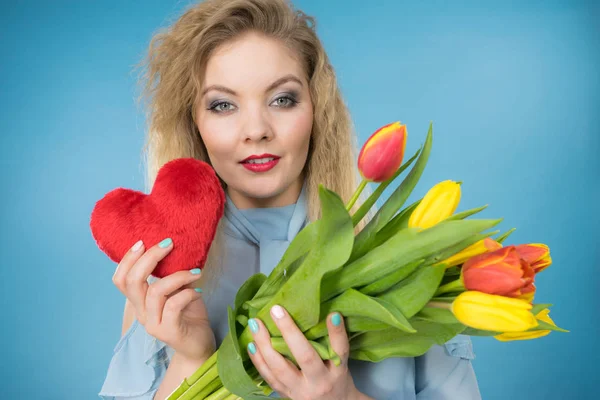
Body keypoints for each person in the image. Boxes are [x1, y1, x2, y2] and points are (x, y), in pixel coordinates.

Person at [99, 0, 482, 399]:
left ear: (318, 110)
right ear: (194, 123)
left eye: (282, 99)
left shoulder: (402, 260)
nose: (256, 130)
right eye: (223, 105)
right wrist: (192, 358)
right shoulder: (164, 286)